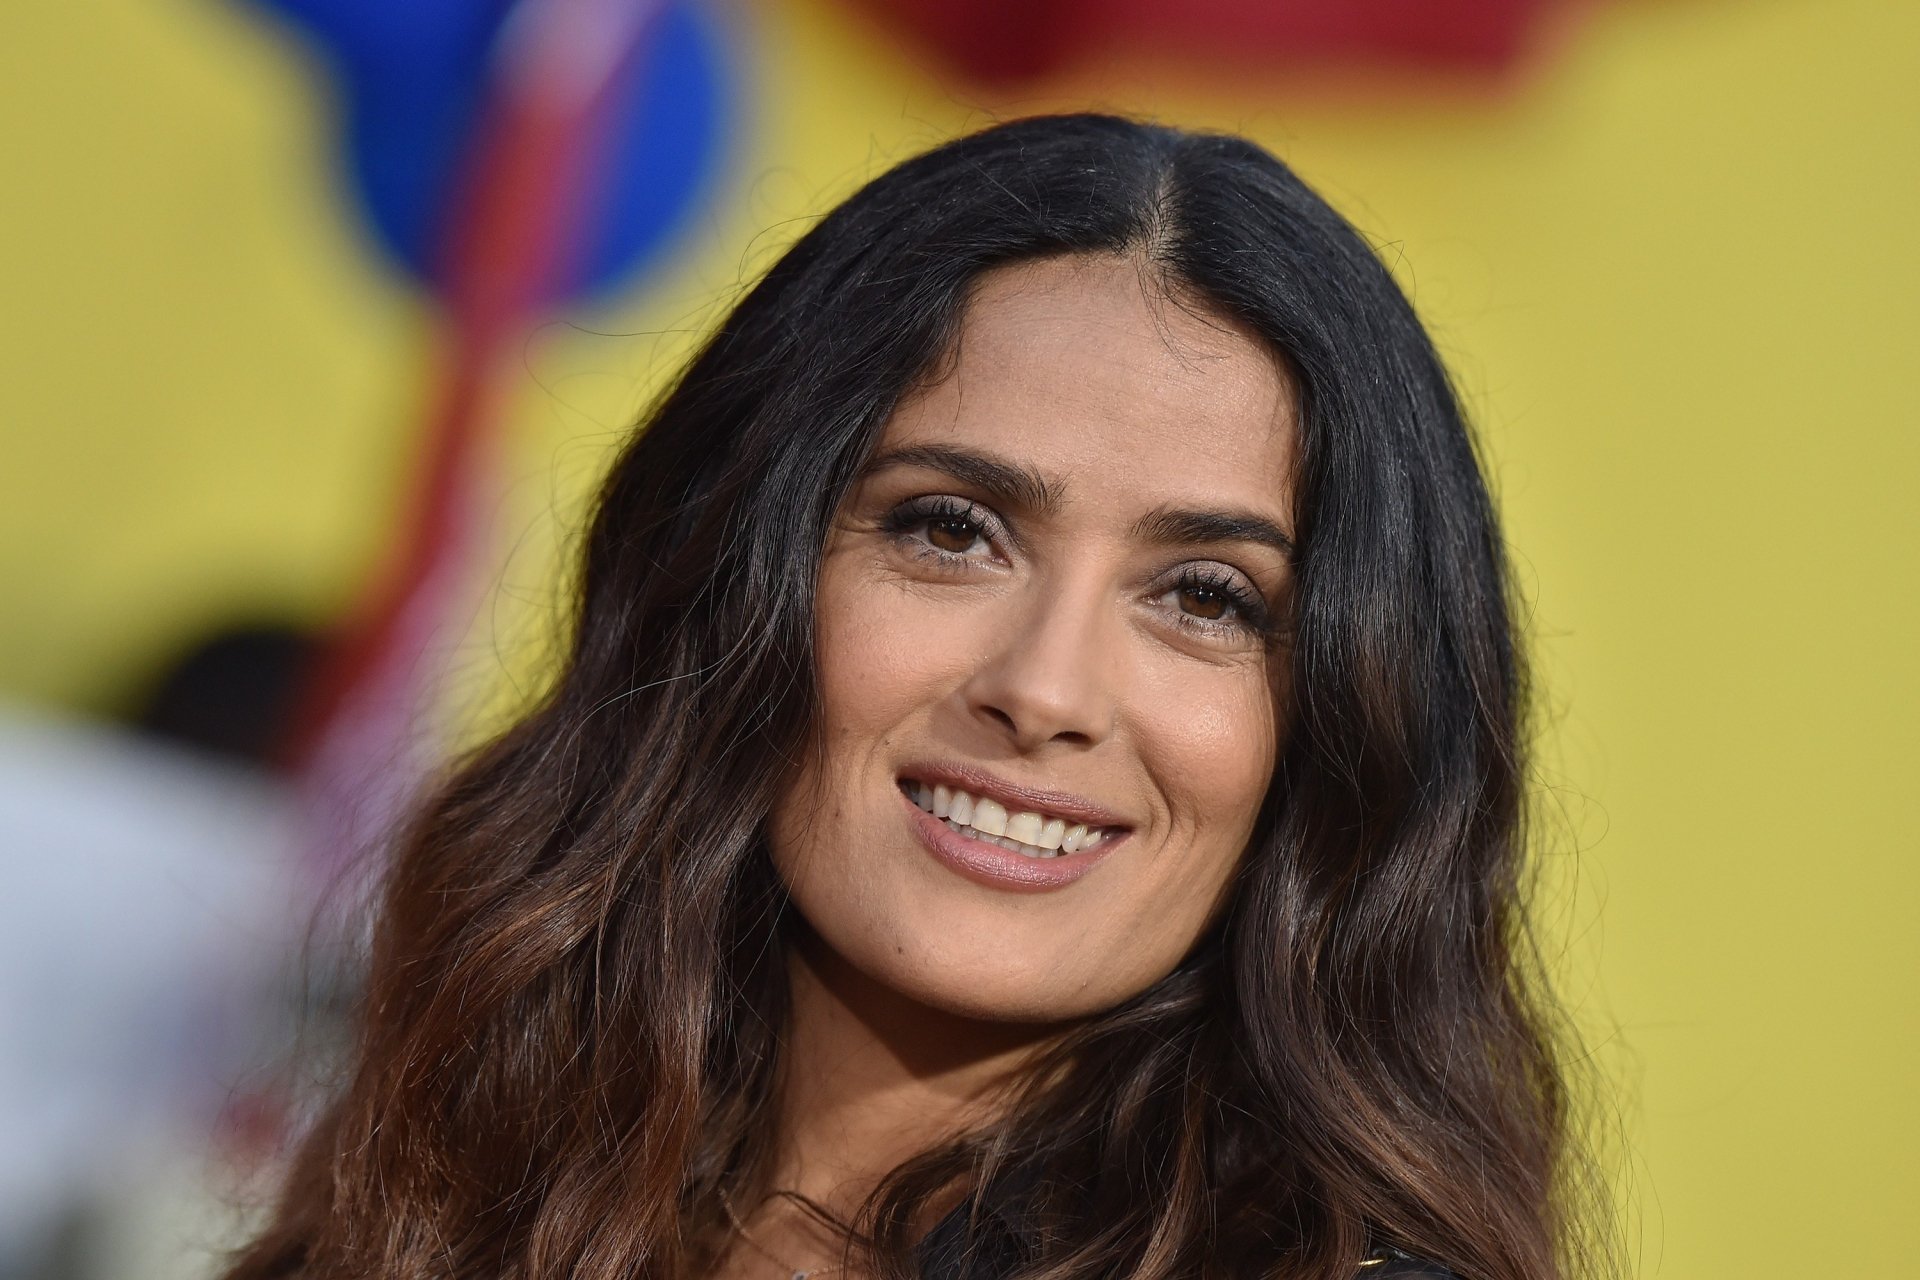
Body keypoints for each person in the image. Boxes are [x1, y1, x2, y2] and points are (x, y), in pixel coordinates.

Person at [224, 113, 1603, 1280]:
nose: (1045, 688)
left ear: (1342, 729)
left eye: (1207, 598)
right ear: (739, 572)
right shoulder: (435, 1190)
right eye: (952, 529)